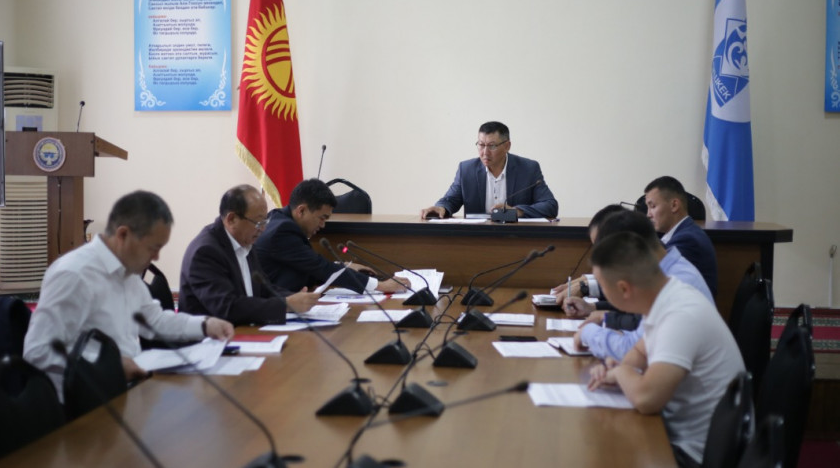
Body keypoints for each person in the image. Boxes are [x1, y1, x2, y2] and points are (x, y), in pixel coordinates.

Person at [23, 191, 235, 397]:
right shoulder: (74, 274)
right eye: (153, 248)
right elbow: (38, 352)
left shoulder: (128, 272)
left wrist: (205, 325)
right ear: (123, 235)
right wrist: (108, 366)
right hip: (84, 404)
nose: (157, 257)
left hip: (128, 390)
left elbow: (155, 321)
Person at [586, 231, 743, 467]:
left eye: (604, 288)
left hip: (693, 455)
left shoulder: (680, 316)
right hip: (681, 436)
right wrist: (616, 368)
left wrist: (620, 373)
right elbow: (640, 352)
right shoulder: (668, 294)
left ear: (624, 289)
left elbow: (646, 398)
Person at [570, 210, 713, 361]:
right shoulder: (665, 274)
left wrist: (588, 333)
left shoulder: (675, 283)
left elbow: (632, 349)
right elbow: (638, 344)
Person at [179, 185, 319, 325]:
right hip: (211, 336)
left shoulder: (245, 241)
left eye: (265, 221)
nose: (263, 229)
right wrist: (285, 304)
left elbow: (264, 289)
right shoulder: (206, 252)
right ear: (232, 219)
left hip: (244, 329)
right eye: (258, 223)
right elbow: (227, 307)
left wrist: (295, 298)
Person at [255, 179, 409, 294]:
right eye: (321, 218)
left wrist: (343, 266)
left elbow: (309, 264)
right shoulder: (283, 231)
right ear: (301, 211)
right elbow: (320, 267)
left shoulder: (278, 218)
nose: (323, 225)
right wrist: (380, 286)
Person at [420, 121, 558, 219]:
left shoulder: (528, 169)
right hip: (477, 239)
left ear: (507, 146)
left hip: (516, 237)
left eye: (492, 146)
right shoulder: (466, 170)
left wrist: (517, 212)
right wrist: (441, 208)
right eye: (481, 145)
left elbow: (550, 205)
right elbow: (451, 199)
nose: (485, 152)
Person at [643, 176, 717, 297]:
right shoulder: (684, 232)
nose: (648, 214)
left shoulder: (687, 240)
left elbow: (655, 283)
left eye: (653, 206)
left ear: (674, 205)